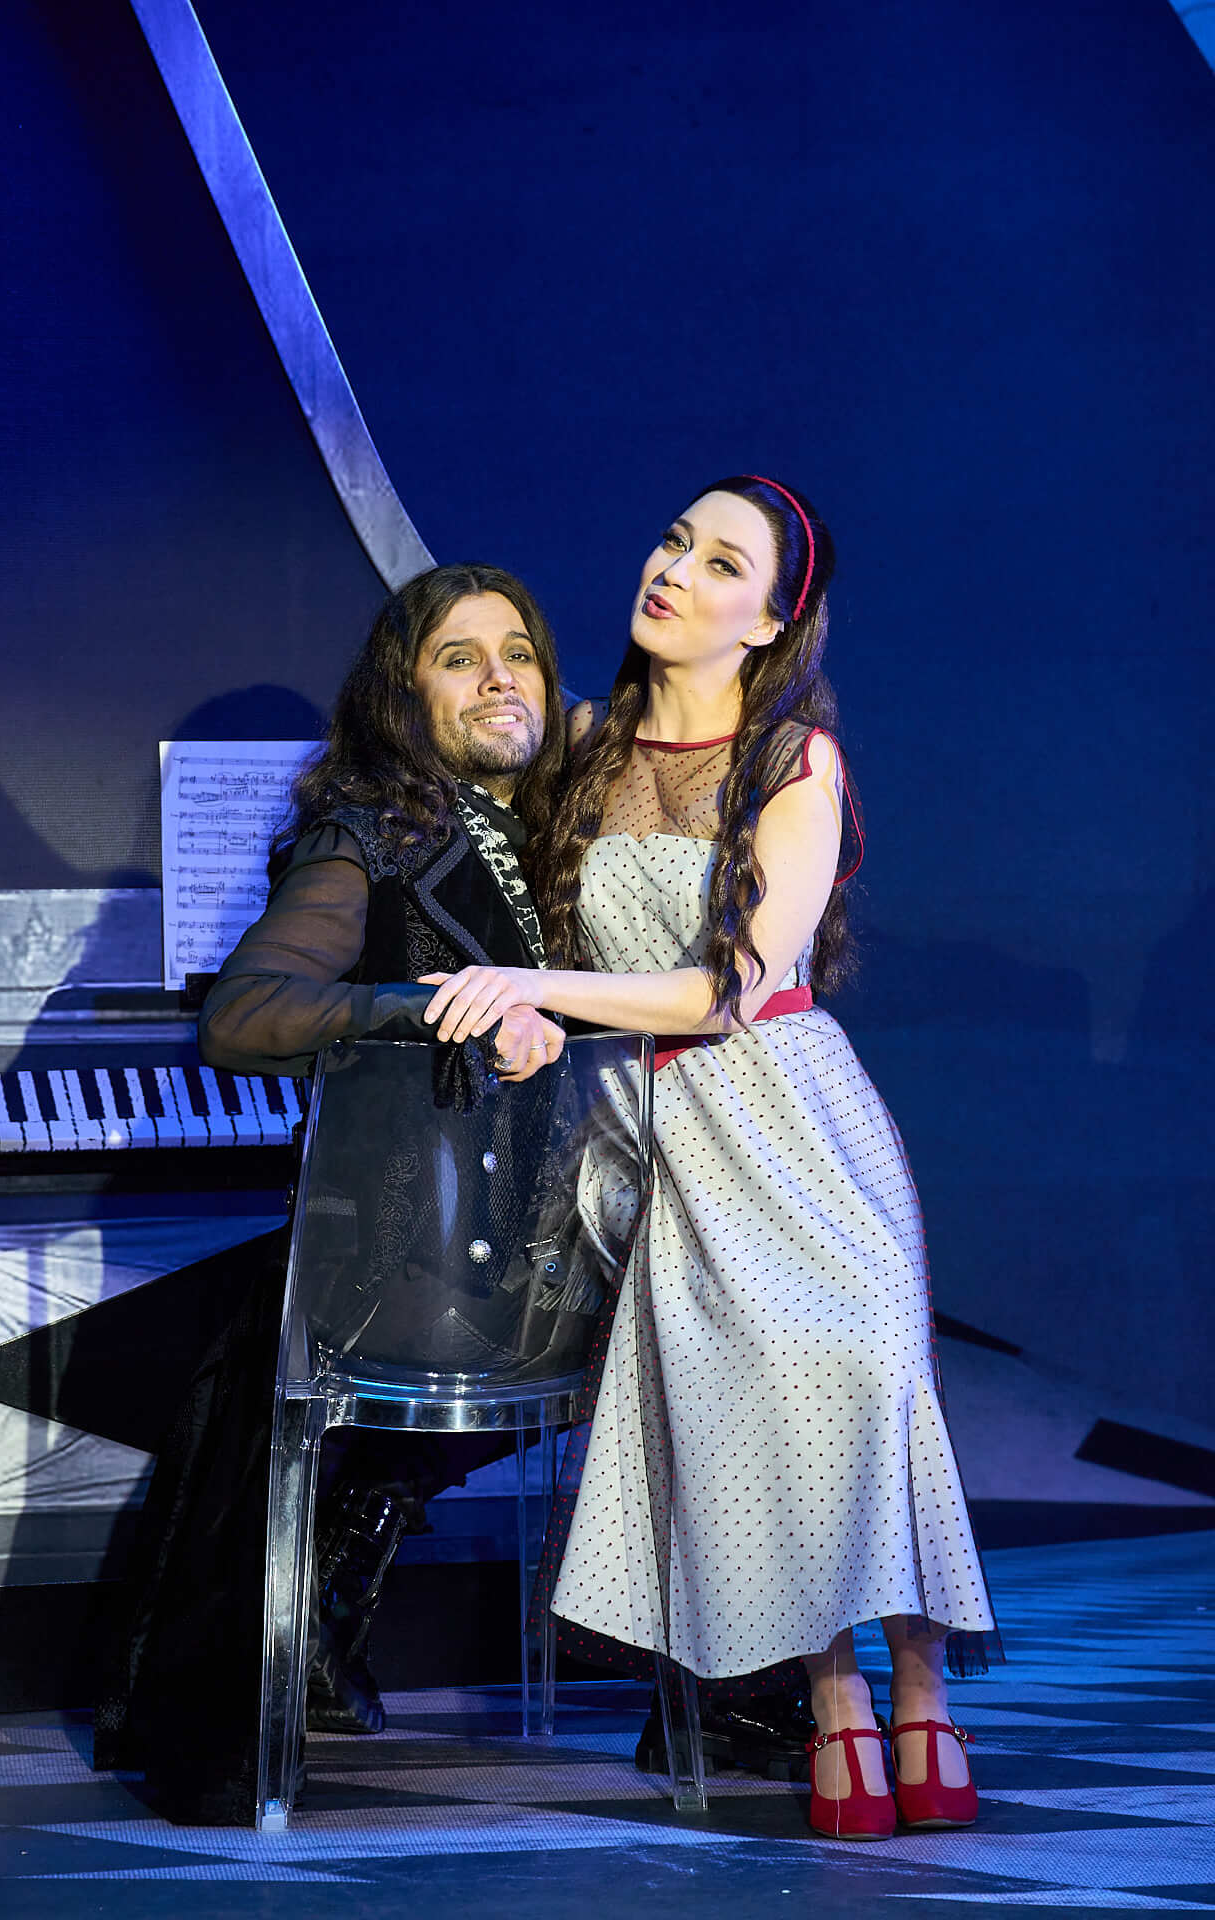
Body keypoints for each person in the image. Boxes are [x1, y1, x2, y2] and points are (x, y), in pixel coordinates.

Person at [420, 477, 997, 1840]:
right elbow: (485, 869)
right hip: (653, 1139)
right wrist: (521, 1011)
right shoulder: (582, 746)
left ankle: (922, 1687)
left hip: (794, 1126)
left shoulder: (793, 760)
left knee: (866, 1387)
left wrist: (536, 989)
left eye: (721, 561)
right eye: (675, 540)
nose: (674, 568)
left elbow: (726, 995)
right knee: (754, 1420)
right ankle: (836, 1702)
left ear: (771, 618)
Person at [95, 563, 567, 1823]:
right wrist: (432, 1009)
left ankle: (757, 1689)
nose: (498, 679)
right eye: (458, 658)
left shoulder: (568, 835)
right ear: (401, 696)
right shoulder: (372, 828)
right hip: (423, 1256)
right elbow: (244, 1013)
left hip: (550, 1238)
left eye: (517, 652)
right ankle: (329, 1563)